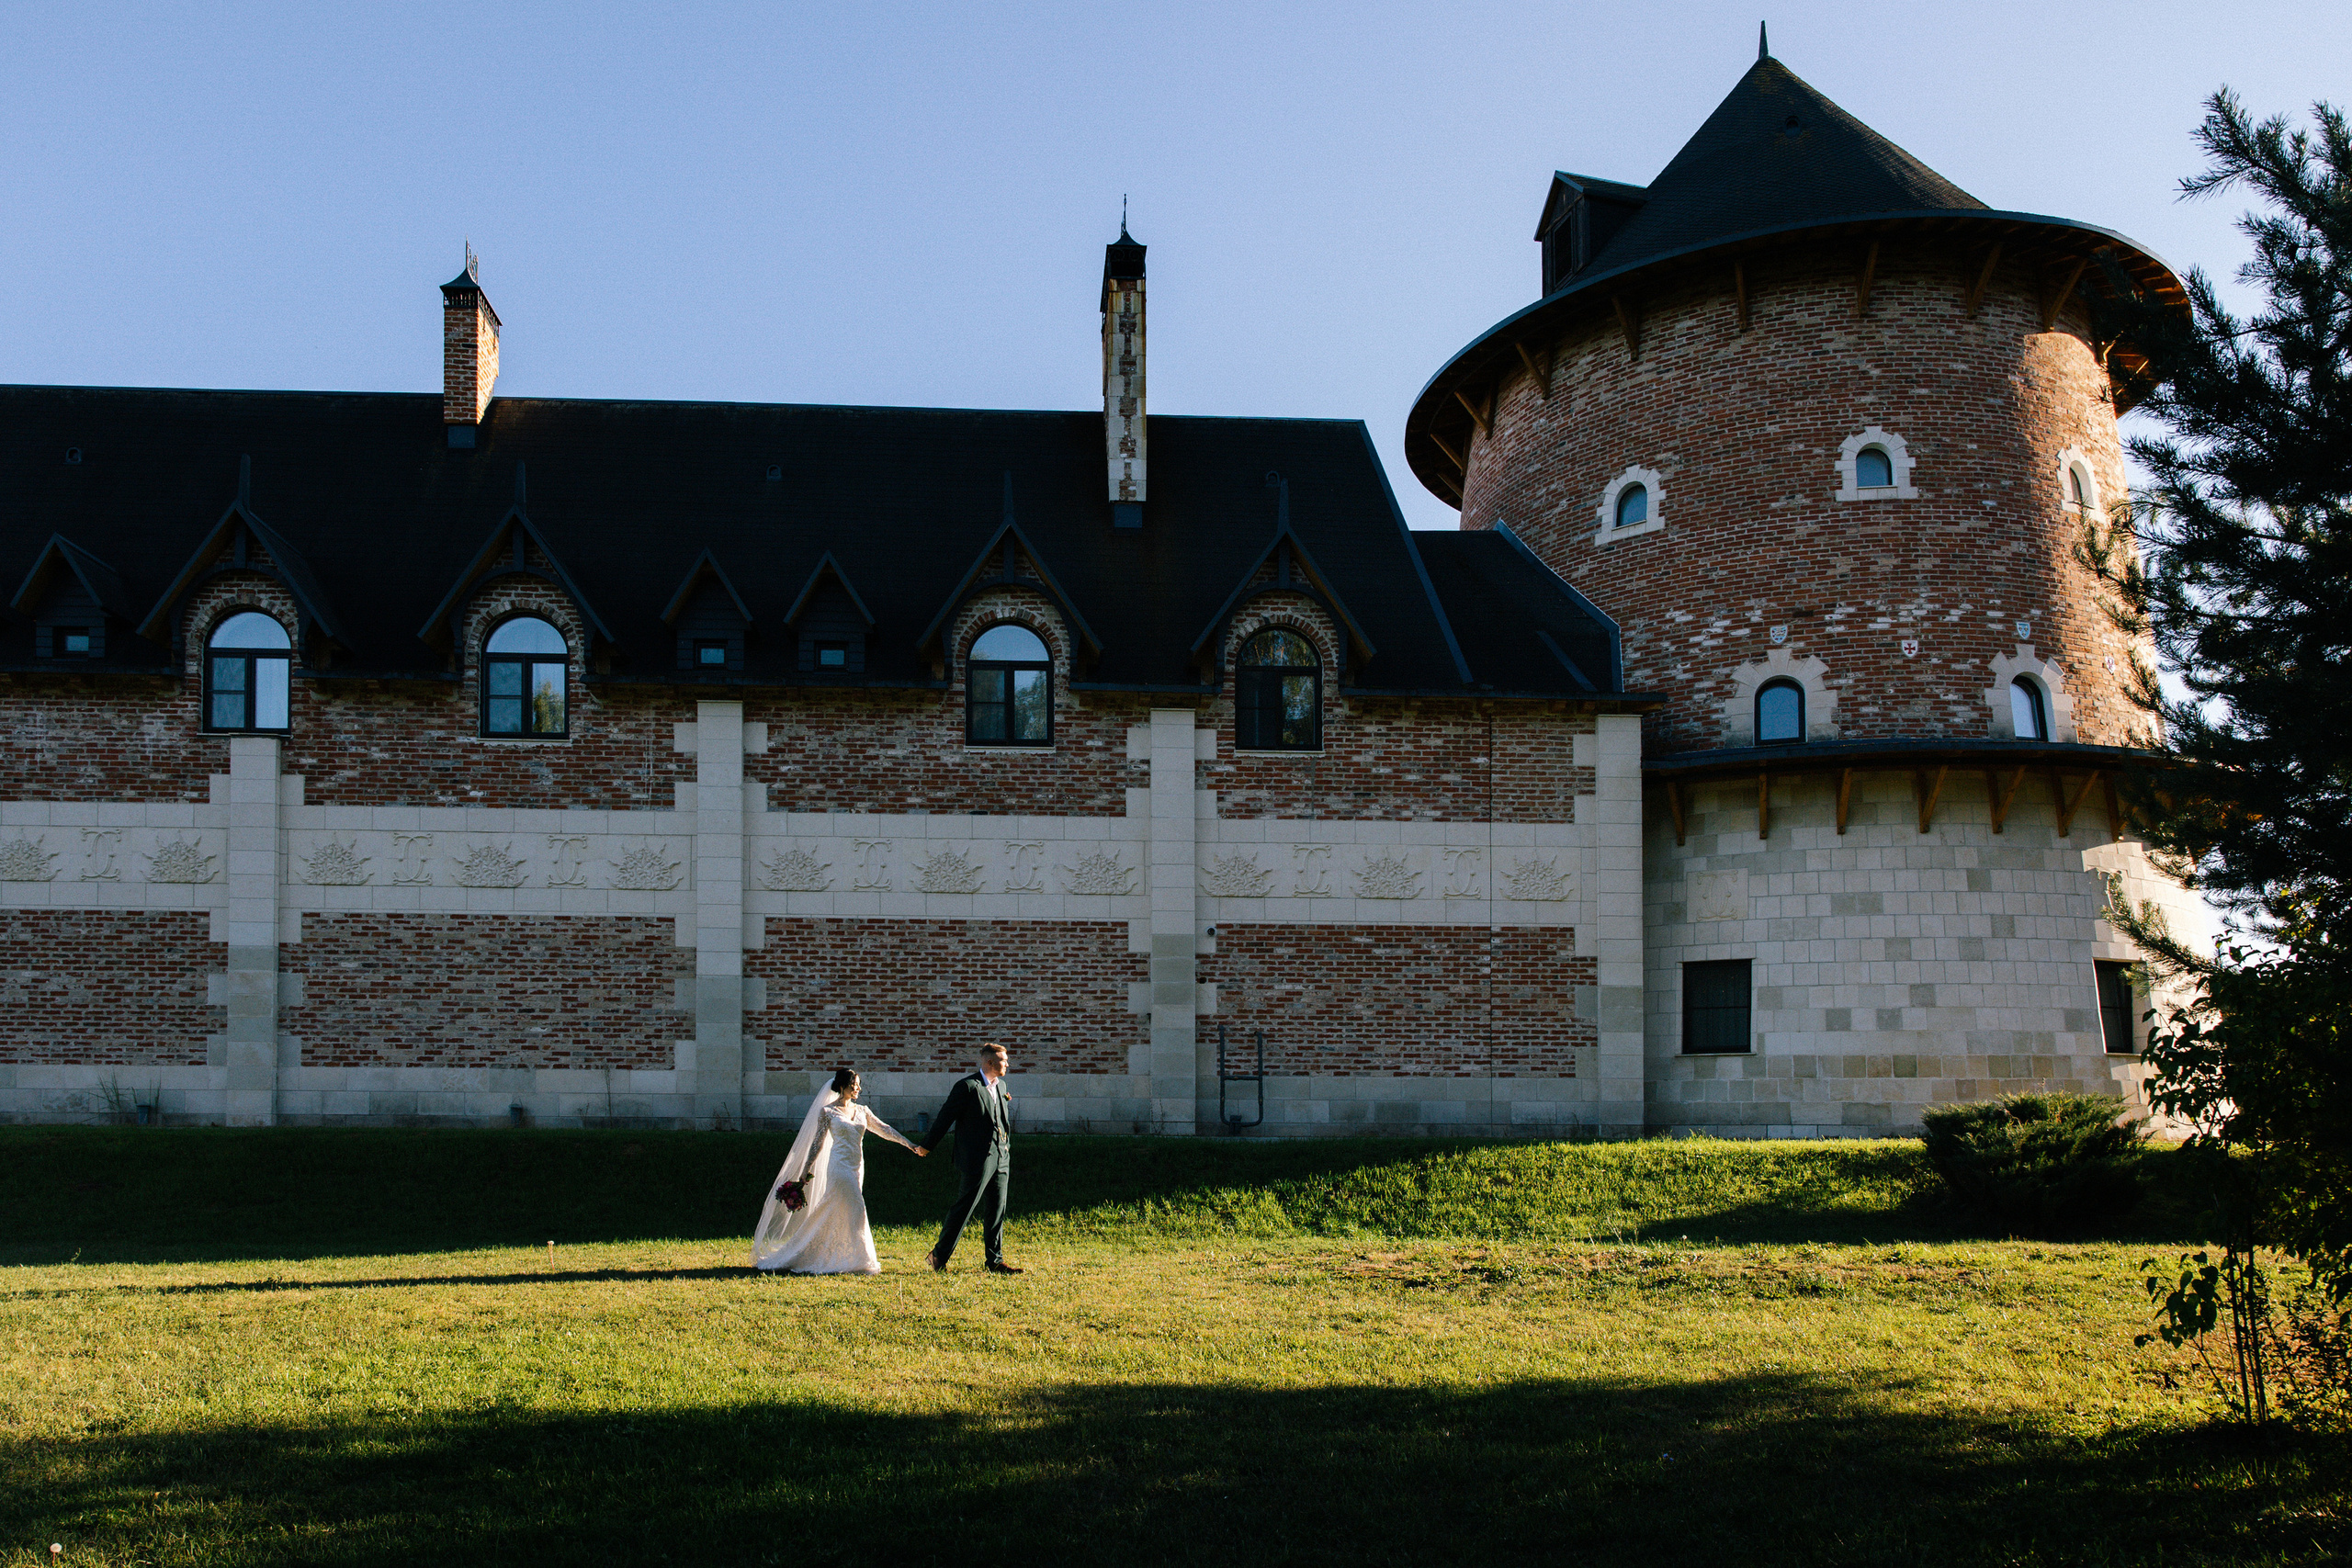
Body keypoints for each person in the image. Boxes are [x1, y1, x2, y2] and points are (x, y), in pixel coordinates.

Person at [750, 1068, 924, 1275]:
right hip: (839, 1168)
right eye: (854, 1084)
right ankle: (863, 1260)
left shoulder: (862, 1111)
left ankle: (827, 1252)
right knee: (857, 1208)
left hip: (856, 1167)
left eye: (859, 1084)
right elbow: (817, 1143)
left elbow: (884, 1130)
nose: (858, 1088)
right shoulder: (828, 1112)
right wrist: (805, 1169)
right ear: (843, 1086)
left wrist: (908, 1143)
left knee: (836, 1209)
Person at [919, 1042, 1022, 1273]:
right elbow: (945, 1117)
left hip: (1001, 1155)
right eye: (1004, 1060)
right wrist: (927, 1146)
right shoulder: (967, 1087)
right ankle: (938, 1256)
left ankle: (995, 1260)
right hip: (977, 1158)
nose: (1007, 1064)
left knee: (997, 1208)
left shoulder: (1001, 1085)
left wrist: (1005, 1147)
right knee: (964, 1207)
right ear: (990, 1062)